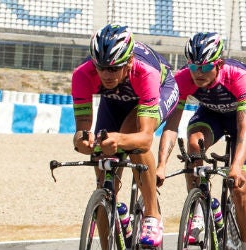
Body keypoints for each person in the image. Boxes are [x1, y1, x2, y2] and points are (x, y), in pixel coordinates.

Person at [71, 24, 179, 247]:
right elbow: (83, 126)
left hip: (160, 89)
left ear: (129, 62)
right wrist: (83, 140)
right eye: (101, 68)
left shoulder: (145, 72)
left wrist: (119, 140)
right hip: (115, 100)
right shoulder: (82, 75)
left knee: (131, 136)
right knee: (103, 177)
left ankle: (152, 215)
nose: (106, 74)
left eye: (114, 68)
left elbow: (145, 138)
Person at [156, 32, 246, 250]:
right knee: (194, 145)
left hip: (245, 119)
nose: (198, 73)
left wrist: (235, 167)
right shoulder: (183, 79)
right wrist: (161, 165)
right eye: (194, 67)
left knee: (240, 188)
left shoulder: (238, 76)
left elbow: (244, 129)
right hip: (212, 114)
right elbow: (171, 127)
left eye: (205, 68)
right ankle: (198, 209)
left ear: (219, 64)